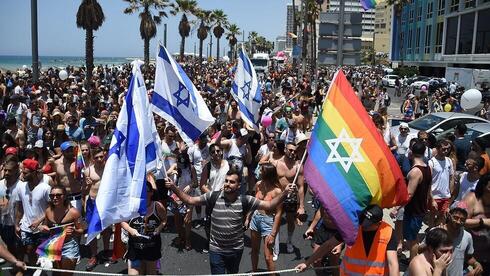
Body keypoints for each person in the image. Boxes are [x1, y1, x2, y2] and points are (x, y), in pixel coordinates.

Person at [165, 168, 296, 274]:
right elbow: (190, 200)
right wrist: (173, 187)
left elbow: (269, 205)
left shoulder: (246, 200)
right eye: (226, 181)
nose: (227, 184)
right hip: (216, 250)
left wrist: (284, 193)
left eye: (232, 182)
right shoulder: (213, 196)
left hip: (235, 251)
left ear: (239, 185)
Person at [295, 205, 399, 276]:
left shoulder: (388, 233)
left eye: (367, 224)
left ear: (378, 223)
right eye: (363, 221)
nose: (363, 226)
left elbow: (392, 263)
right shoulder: (354, 227)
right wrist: (307, 263)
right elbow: (328, 245)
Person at [392, 140, 432, 260]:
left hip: (414, 211)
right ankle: (412, 260)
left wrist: (396, 208)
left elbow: (409, 194)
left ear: (411, 152)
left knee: (412, 239)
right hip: (419, 209)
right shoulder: (427, 168)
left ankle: (413, 262)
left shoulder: (415, 171)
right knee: (412, 238)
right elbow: (429, 188)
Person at [13, 159, 51, 271]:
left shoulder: (45, 188)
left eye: (25, 173)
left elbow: (51, 208)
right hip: (26, 226)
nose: (22, 175)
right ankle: (35, 270)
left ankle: (43, 271)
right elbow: (20, 206)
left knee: (43, 252)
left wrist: (40, 220)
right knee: (29, 250)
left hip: (42, 228)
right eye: (22, 172)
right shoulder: (20, 186)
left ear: (34, 172)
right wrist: (16, 223)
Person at [121, 181, 166, 275]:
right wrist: (131, 230)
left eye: (146, 191)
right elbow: (123, 221)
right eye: (141, 191)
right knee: (134, 274)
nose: (143, 193)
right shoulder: (131, 206)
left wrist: (159, 229)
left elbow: (164, 220)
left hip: (152, 246)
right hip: (135, 248)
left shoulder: (157, 206)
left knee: (150, 273)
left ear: (151, 193)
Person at [38, 185, 83, 275]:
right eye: (52, 196)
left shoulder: (74, 212)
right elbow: (45, 226)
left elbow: (81, 230)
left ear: (65, 196)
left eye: (58, 195)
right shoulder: (48, 211)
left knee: (66, 274)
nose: (55, 198)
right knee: (56, 273)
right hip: (53, 246)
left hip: (69, 246)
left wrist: (74, 231)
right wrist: (42, 227)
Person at [248, 164, 283, 274]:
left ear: (267, 174)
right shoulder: (258, 185)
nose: (258, 172)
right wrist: (248, 217)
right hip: (255, 218)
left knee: (268, 256)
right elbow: (253, 203)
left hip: (268, 221)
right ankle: (254, 272)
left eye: (261, 170)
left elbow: (278, 213)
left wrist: (273, 234)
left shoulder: (277, 191)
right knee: (254, 250)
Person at [275, 142, 305, 254]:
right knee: (276, 221)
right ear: (285, 150)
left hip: (291, 197)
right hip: (278, 196)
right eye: (290, 150)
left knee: (290, 221)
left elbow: (301, 187)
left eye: (294, 151)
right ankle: (276, 244)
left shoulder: (298, 166)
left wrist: (301, 206)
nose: (292, 153)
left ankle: (289, 240)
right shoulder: (276, 163)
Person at [463, 173, 490, 274]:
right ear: (483, 187)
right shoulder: (470, 198)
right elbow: (458, 220)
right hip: (471, 257)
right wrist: (483, 222)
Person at [428, 139, 455, 227]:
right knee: (432, 215)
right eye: (443, 149)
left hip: (446, 195)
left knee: (443, 216)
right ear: (438, 149)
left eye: (448, 149)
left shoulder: (449, 161)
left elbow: (451, 177)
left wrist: (450, 192)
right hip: (435, 195)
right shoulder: (431, 162)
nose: (446, 151)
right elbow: (429, 181)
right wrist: (431, 197)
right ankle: (431, 231)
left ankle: (439, 233)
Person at [54, 141, 83, 212]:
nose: (70, 153)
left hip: (76, 197)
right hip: (63, 197)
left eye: (71, 150)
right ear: (62, 152)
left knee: (77, 220)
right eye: (68, 151)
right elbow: (57, 179)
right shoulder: (57, 163)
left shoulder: (78, 161)